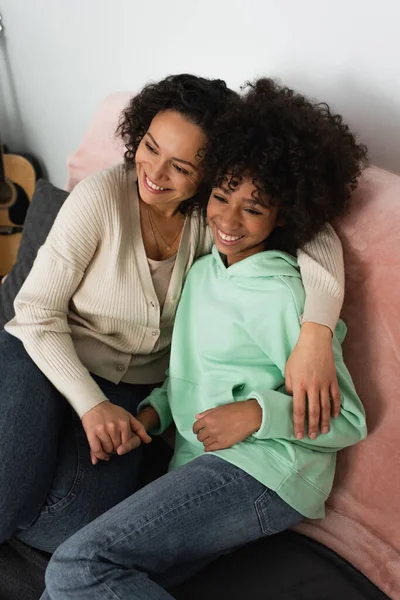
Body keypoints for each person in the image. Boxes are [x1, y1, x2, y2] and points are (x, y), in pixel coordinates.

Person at [41, 78, 368, 600]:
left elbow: (347, 417)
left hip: (266, 471)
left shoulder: (284, 293)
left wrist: (257, 414)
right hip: (197, 466)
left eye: (254, 209)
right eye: (221, 197)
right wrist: (152, 415)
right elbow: (191, 375)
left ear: (285, 216)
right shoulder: (201, 271)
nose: (229, 219)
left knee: (77, 567)